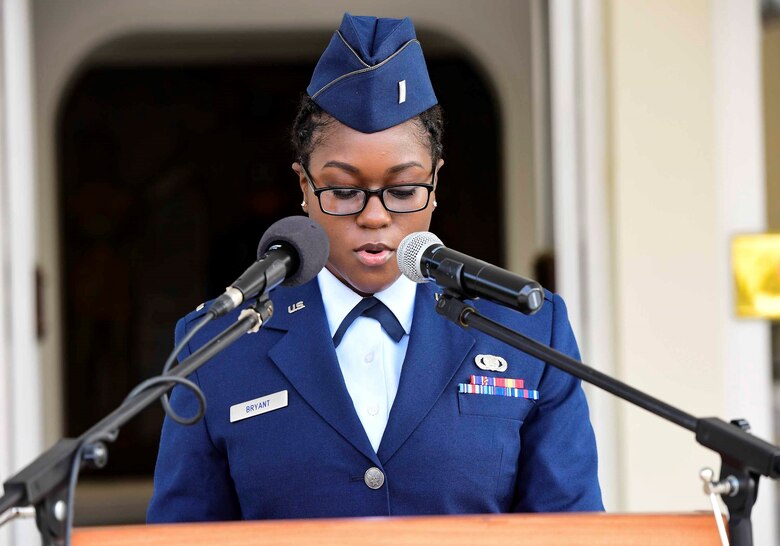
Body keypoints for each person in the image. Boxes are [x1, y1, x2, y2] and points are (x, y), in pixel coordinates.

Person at [147, 13, 602, 522]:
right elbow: (181, 533)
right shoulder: (216, 344)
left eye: (404, 190)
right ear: (304, 187)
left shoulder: (528, 331)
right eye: (343, 191)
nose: (374, 216)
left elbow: (572, 525)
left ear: (436, 184)